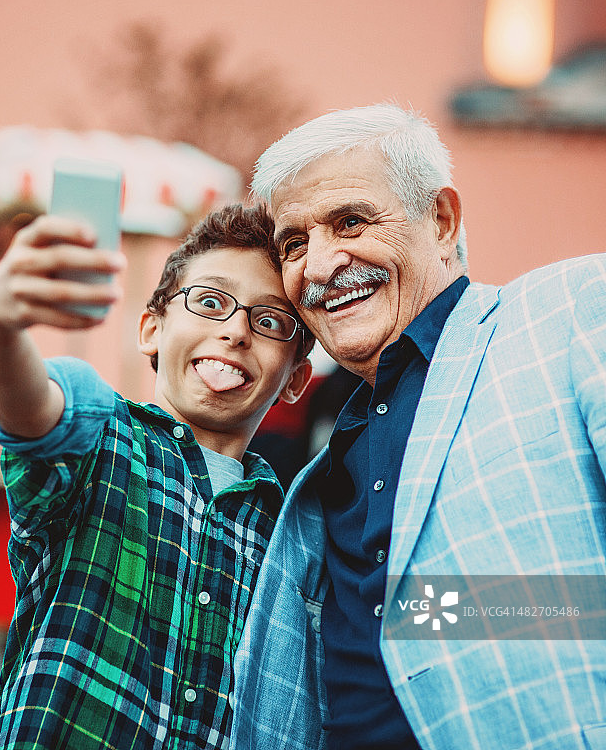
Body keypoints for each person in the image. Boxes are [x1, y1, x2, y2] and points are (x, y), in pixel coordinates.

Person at [229, 103, 606, 750]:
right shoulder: (325, 461)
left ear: (440, 220)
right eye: (294, 243)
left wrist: (433, 611)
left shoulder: (571, 309)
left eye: (350, 221)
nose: (318, 267)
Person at [0, 202, 313, 750]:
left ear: (295, 378)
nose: (234, 331)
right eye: (209, 301)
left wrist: (496, 608)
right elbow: (30, 409)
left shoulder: (290, 532)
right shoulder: (99, 439)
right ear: (152, 329)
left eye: (270, 320)